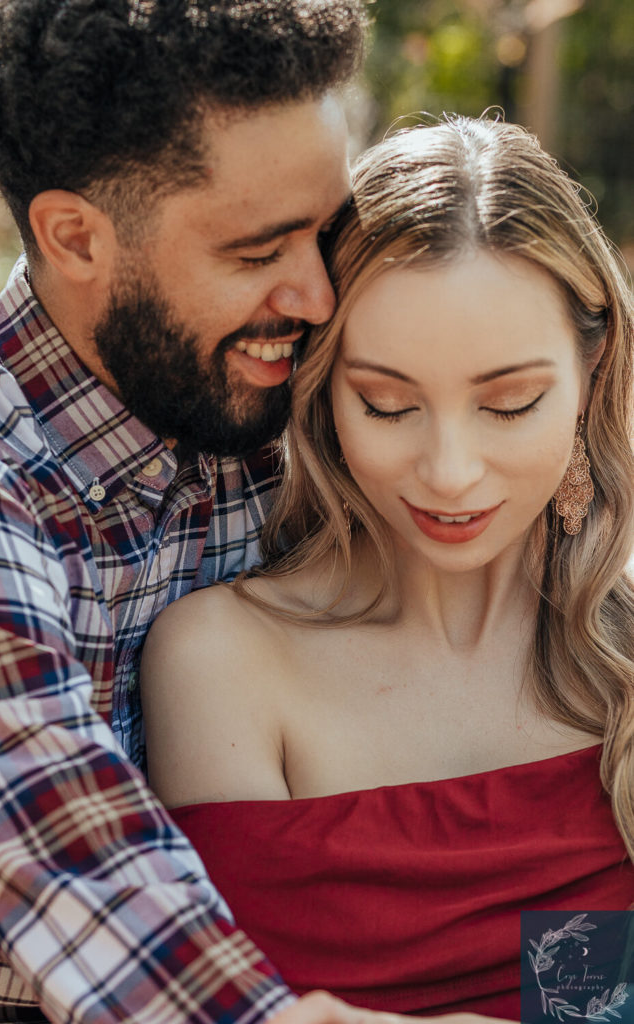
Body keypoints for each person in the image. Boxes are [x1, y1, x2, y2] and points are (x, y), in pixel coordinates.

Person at [0, 2, 413, 1023]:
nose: (316, 298)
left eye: (324, 233)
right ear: (75, 237)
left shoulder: (286, 404)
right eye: (257, 253)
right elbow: (49, 817)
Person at [142, 115, 634, 1020]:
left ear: (591, 377)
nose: (449, 473)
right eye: (387, 403)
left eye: (509, 403)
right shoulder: (221, 659)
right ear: (325, 391)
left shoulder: (623, 660)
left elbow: (580, 995)